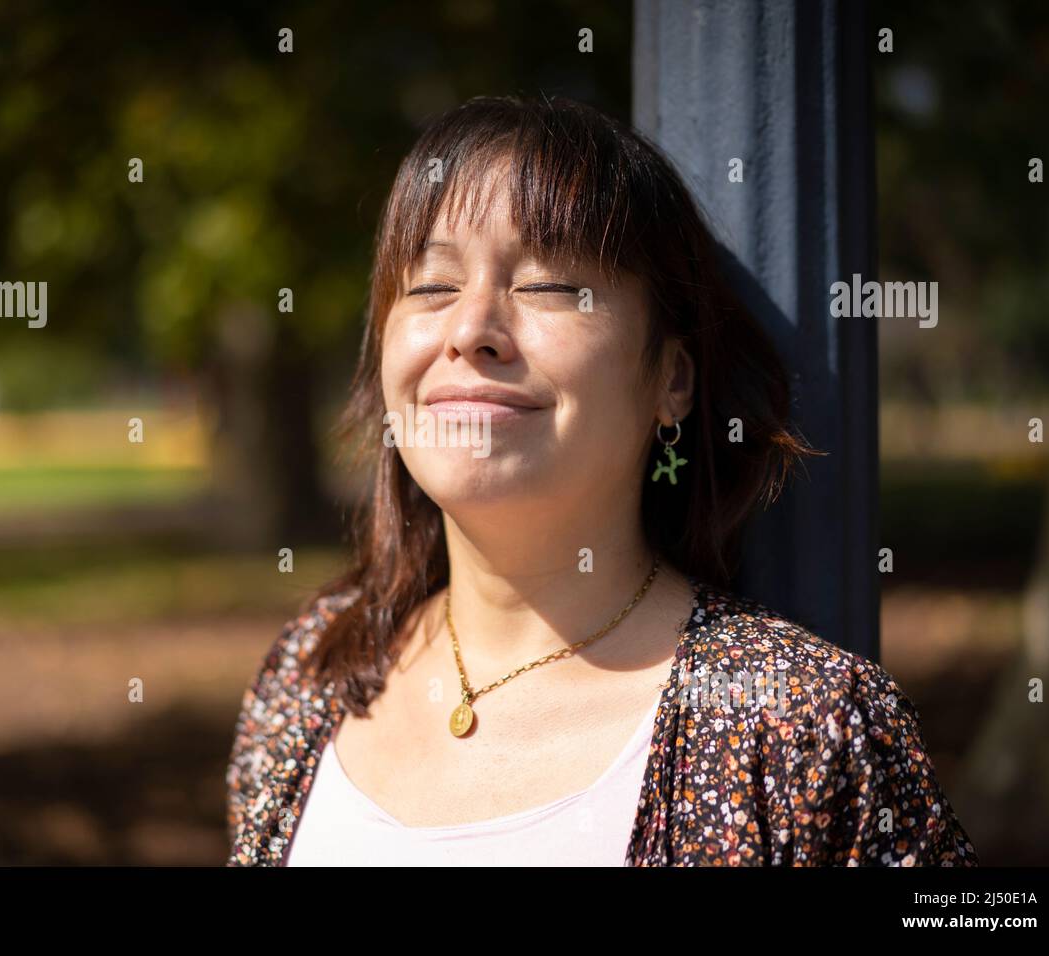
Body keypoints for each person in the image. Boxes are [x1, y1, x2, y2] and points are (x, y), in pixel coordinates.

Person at [224, 93, 978, 867]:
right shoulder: (311, 670)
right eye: (432, 285)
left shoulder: (805, 725)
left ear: (672, 380)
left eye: (549, 286)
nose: (471, 331)